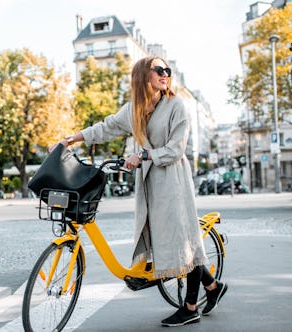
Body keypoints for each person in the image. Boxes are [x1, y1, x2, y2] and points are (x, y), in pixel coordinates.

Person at [51, 56, 227, 327]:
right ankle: (212, 287)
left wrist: (144, 155)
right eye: (159, 70)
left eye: (167, 70)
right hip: (149, 183)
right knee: (167, 240)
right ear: (143, 76)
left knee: (182, 241)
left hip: (173, 180)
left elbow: (176, 149)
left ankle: (191, 307)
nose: (165, 74)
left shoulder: (175, 105)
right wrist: (71, 139)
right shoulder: (135, 109)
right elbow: (106, 127)